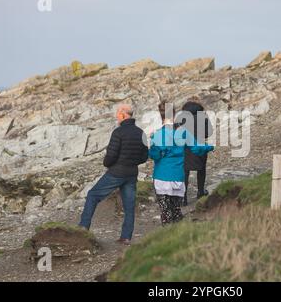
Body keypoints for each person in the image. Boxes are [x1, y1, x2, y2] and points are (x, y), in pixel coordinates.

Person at [79, 104, 149, 246]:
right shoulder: (141, 132)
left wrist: (107, 164)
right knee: (129, 206)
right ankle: (126, 237)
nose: (116, 116)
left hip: (117, 172)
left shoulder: (118, 132)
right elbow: (144, 156)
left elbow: (111, 155)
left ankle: (82, 228)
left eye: (118, 113)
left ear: (123, 114)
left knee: (92, 195)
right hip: (131, 173)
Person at [149, 101, 214, 225]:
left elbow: (154, 155)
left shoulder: (159, 134)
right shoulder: (184, 131)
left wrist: (154, 141)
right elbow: (199, 145)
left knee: (166, 213)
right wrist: (209, 147)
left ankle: (168, 237)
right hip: (177, 177)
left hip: (162, 178)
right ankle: (179, 234)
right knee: (176, 211)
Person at [179, 96, 213, 206]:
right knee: (201, 169)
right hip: (200, 147)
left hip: (185, 148)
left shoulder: (182, 118)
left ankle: (183, 198)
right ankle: (200, 191)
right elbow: (209, 133)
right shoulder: (203, 117)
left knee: (185, 172)